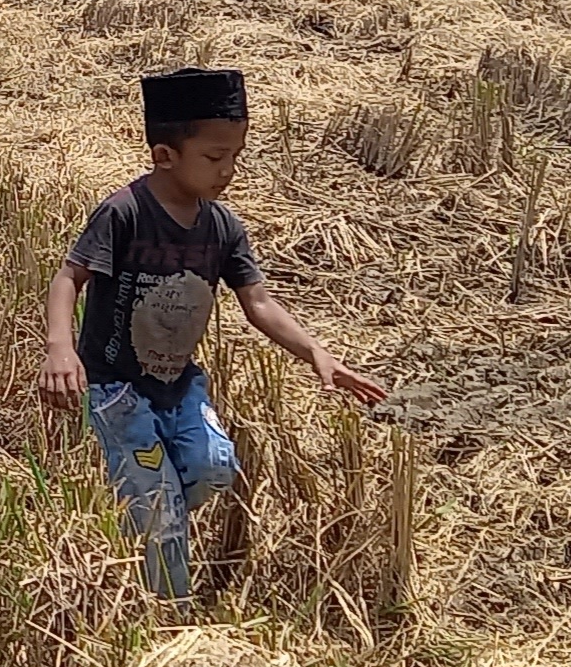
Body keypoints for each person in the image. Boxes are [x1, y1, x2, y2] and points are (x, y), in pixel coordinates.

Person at [36, 67, 387, 598]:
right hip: (116, 388)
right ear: (165, 155)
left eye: (236, 156)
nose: (228, 171)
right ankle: (169, 612)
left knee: (214, 468)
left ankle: (138, 515)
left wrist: (316, 351)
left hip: (180, 386)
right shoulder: (124, 213)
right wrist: (61, 349)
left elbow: (259, 303)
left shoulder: (223, 228)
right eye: (215, 157)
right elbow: (69, 278)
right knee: (159, 507)